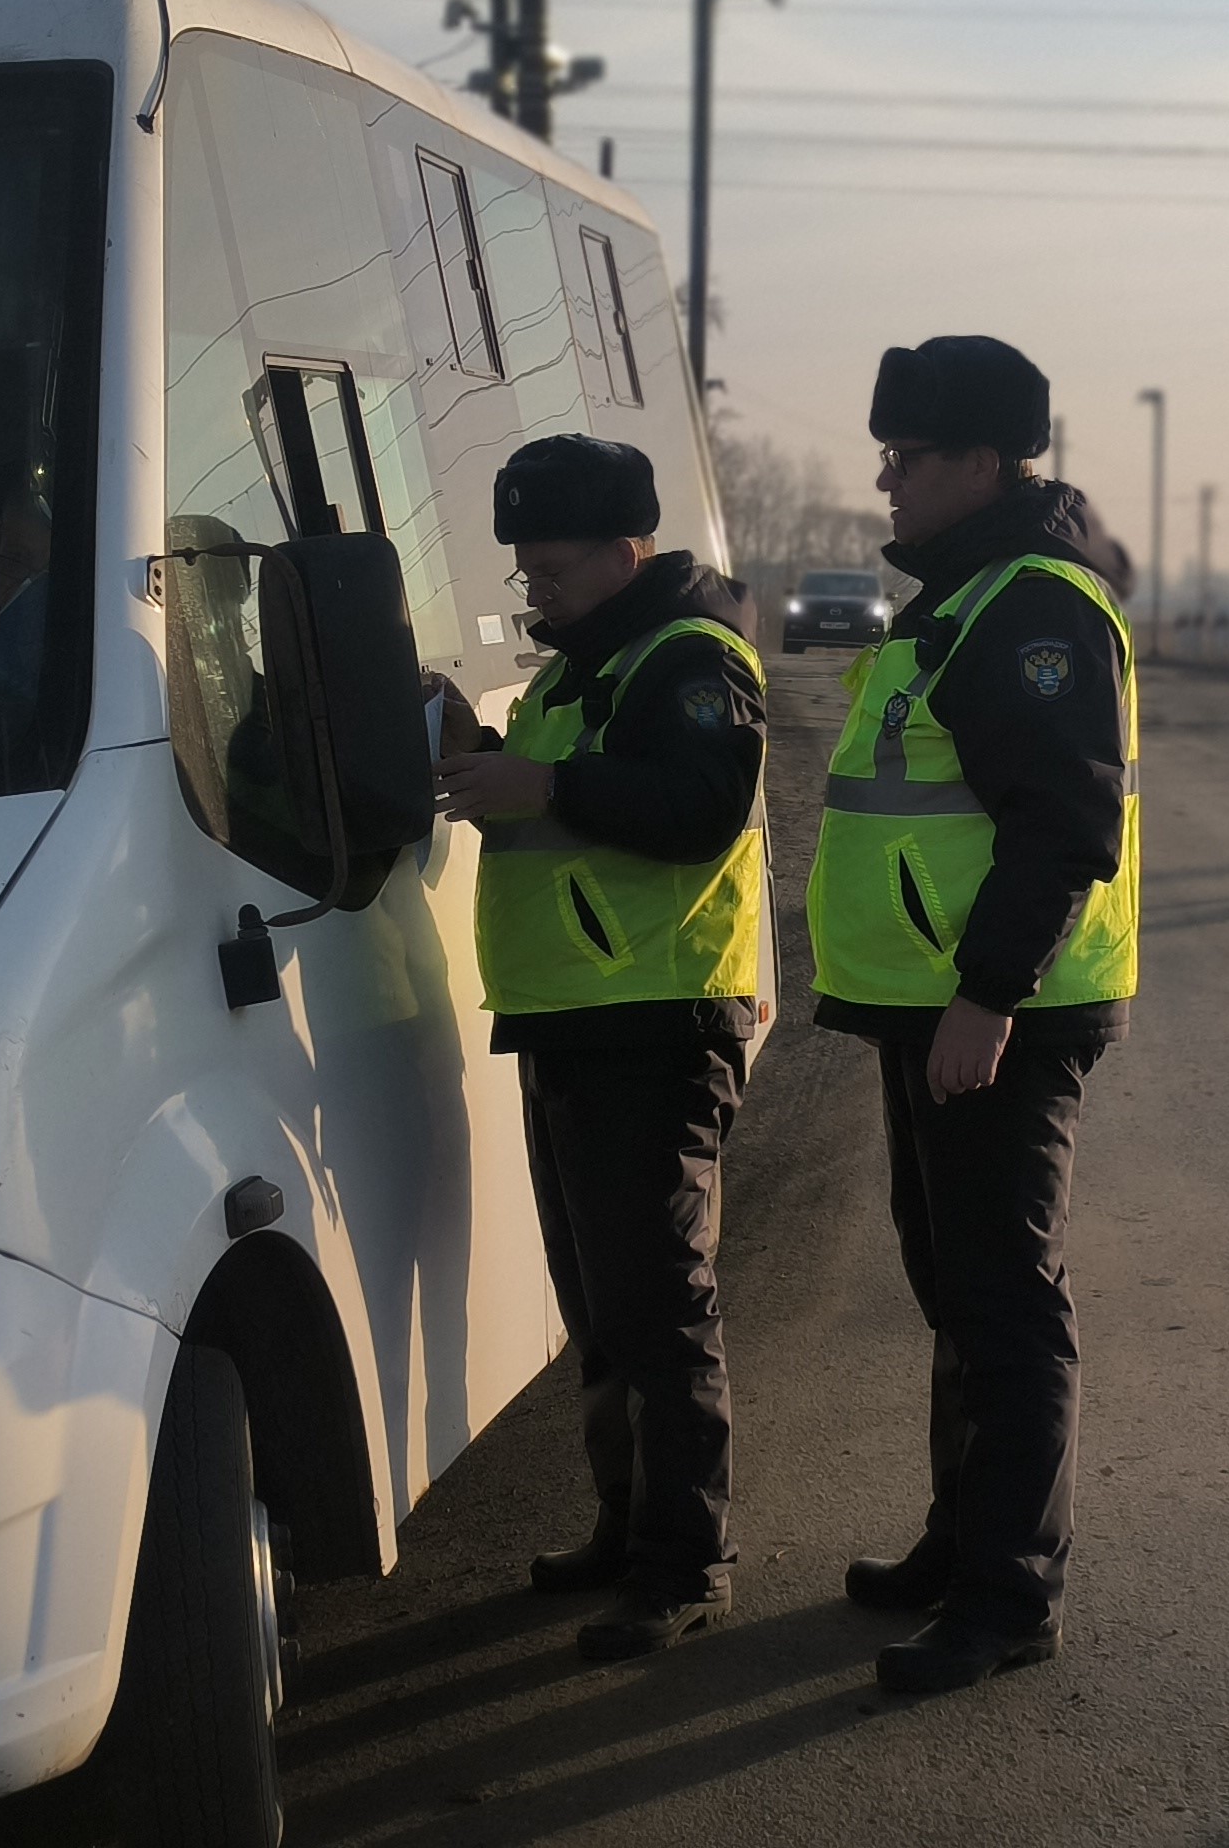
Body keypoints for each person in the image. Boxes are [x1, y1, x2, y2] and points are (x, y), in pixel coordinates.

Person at [809, 336, 1140, 1694]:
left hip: (997, 1012)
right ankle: (964, 1538)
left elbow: (1061, 829)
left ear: (984, 464)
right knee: (953, 1287)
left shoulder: (1032, 607)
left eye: (908, 456)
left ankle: (1010, 1595)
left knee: (1004, 1303)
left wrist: (987, 996)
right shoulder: (966, 595)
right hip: (933, 1005)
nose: (883, 478)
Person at [430, 433, 770, 1661]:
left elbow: (697, 807)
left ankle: (687, 1559)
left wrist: (546, 786)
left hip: (655, 1021)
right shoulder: (586, 665)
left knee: (659, 1304)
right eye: (524, 568)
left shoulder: (686, 657)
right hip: (576, 1015)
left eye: (554, 564)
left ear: (626, 551)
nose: (536, 587)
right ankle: (627, 1530)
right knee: (604, 1302)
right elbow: (564, 784)